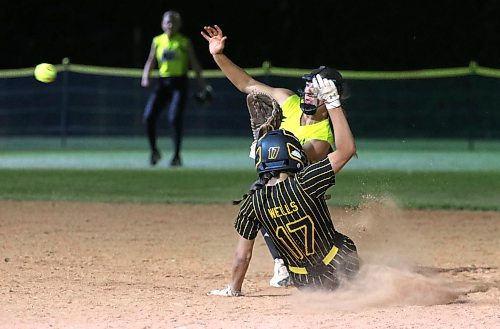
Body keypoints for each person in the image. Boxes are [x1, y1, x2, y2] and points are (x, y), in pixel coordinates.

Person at [201, 24, 350, 287]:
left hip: (302, 191)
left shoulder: (323, 134)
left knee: (265, 198)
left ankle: (289, 261)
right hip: (281, 186)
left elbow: (300, 158)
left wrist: (265, 145)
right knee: (261, 193)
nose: (307, 92)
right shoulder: (288, 101)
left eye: (314, 89)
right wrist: (218, 55)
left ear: (330, 97)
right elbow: (246, 84)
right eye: (307, 86)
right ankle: (283, 260)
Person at [142, 10, 211, 167]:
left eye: (173, 22)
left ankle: (176, 156)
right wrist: (146, 76)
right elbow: (151, 60)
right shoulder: (158, 41)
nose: (170, 25)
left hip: (179, 83)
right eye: (168, 22)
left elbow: (194, 64)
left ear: (179, 25)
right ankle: (154, 151)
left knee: (174, 118)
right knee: (148, 116)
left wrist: (203, 85)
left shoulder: (184, 42)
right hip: (162, 83)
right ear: (162, 24)